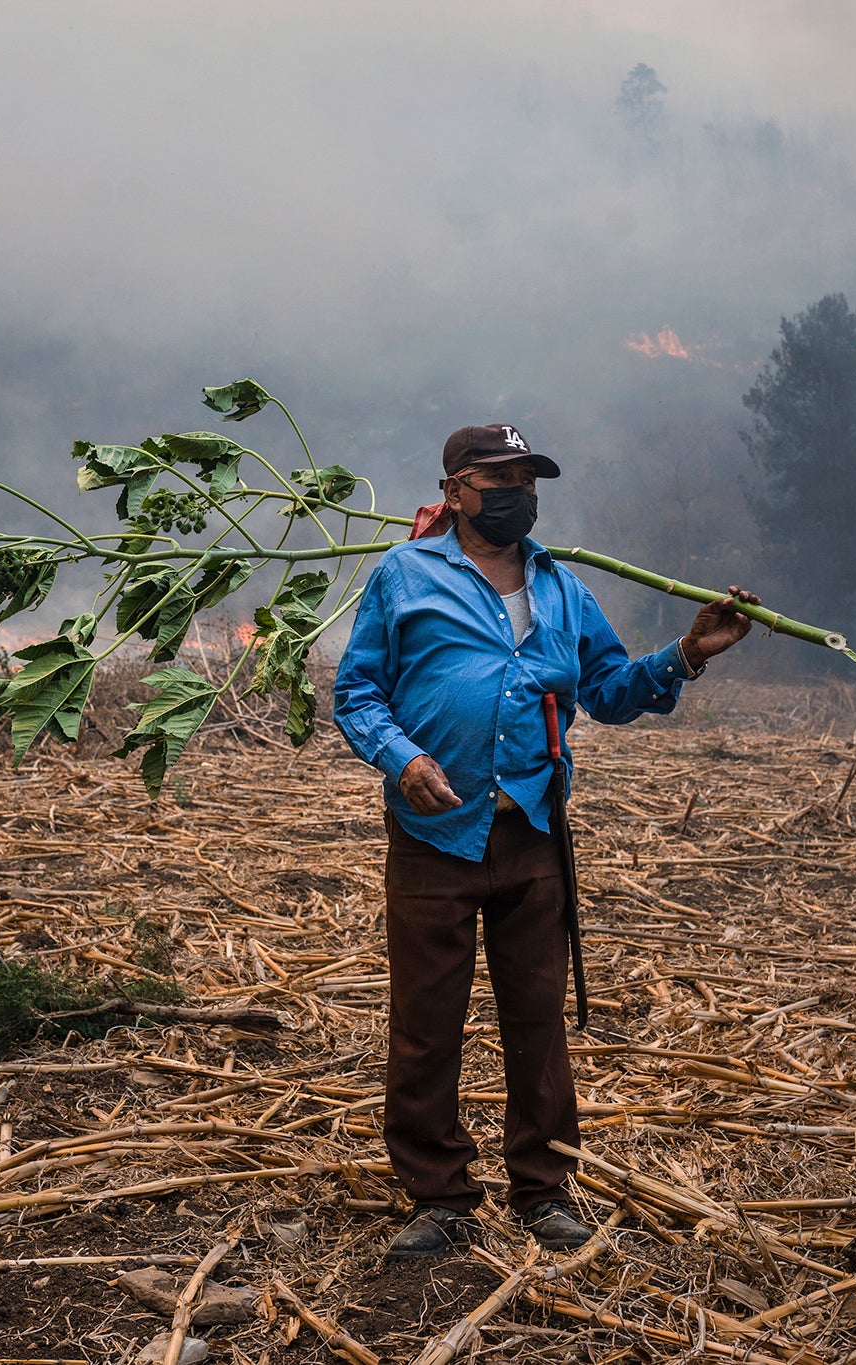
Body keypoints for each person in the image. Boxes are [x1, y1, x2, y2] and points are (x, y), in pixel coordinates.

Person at [333, 422, 761, 1258]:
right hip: (434, 835)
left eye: (527, 478)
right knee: (427, 1022)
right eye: (499, 479)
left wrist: (685, 653)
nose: (517, 492)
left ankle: (542, 1187)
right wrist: (403, 757)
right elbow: (356, 693)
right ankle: (440, 1194)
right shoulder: (405, 576)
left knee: (538, 1018)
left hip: (532, 831)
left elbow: (606, 687)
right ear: (455, 490)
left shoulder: (560, 588)